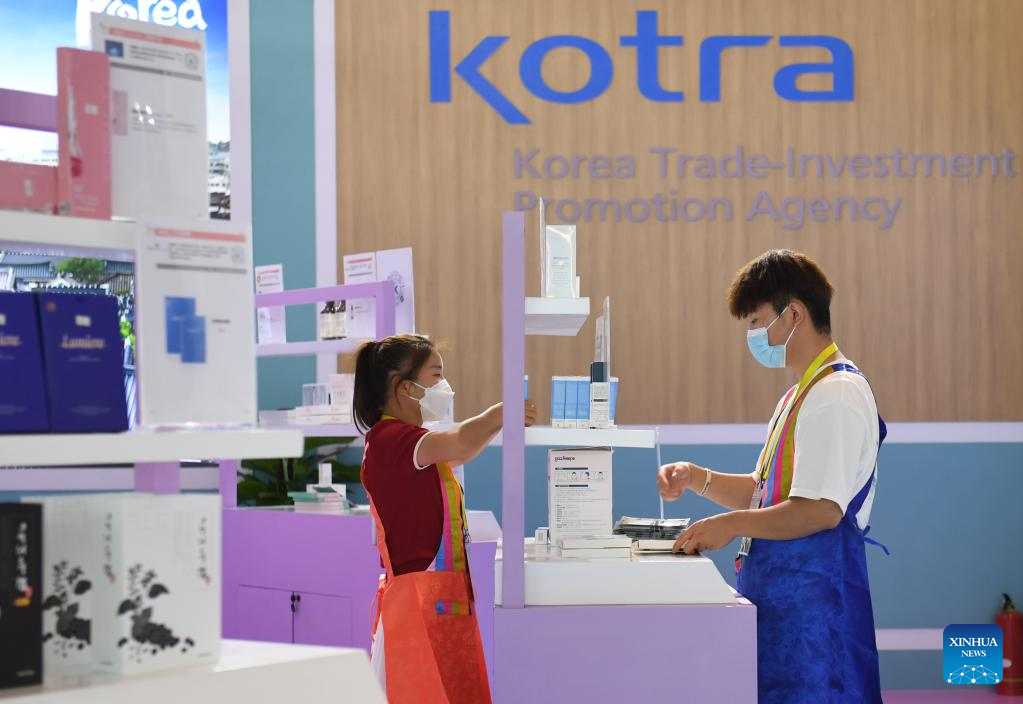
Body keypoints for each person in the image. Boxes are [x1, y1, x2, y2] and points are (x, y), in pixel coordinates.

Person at [657, 250, 887, 704]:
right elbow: (765, 494)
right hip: (783, 603)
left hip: (818, 611)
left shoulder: (836, 395)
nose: (753, 335)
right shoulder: (799, 396)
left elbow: (819, 511)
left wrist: (730, 525)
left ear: (794, 314)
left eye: (757, 321)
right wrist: (698, 477)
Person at [354, 334, 537, 704]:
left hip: (433, 599)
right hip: (414, 606)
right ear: (405, 387)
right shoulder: (391, 440)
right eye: (436, 375)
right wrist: (499, 414)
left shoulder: (409, 441)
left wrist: (499, 422)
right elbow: (460, 442)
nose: (444, 386)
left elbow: (461, 451)